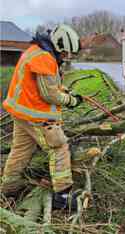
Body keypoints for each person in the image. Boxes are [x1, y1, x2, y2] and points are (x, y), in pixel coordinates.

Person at [1, 24, 82, 208]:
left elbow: (45, 85)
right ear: (59, 46)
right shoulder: (45, 58)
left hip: (21, 112)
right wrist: (71, 101)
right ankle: (62, 196)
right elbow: (49, 95)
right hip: (37, 116)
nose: (66, 57)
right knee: (59, 148)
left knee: (20, 150)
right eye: (65, 53)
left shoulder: (35, 51)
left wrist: (63, 89)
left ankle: (9, 187)